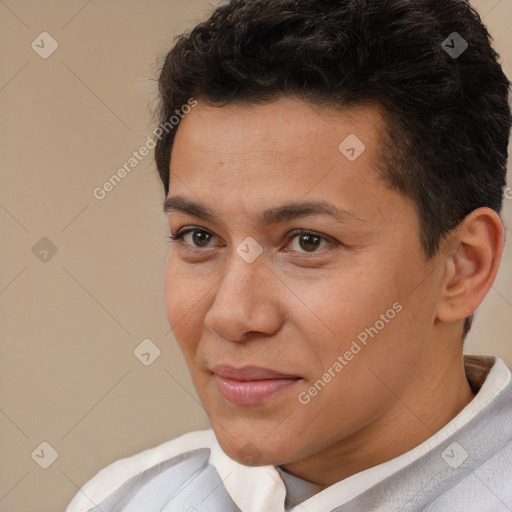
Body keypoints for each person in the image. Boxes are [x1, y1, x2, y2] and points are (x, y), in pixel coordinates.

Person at [66, 0, 512, 510]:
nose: (232, 316)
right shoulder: (125, 500)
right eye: (198, 236)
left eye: (307, 241)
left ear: (462, 267)